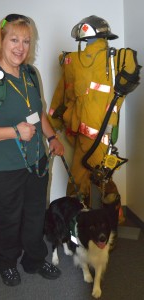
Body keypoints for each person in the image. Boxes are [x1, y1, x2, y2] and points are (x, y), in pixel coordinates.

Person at [0, 14, 64, 287]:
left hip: (36, 162)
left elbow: (37, 112)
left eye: (26, 41)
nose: (20, 47)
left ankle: (33, 258)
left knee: (34, 215)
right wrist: (13, 132)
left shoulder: (31, 73)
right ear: (1, 40)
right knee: (8, 220)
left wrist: (51, 137)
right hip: (2, 169)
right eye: (14, 39)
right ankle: (6, 262)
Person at [48, 15, 140, 248]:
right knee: (95, 182)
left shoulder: (112, 58)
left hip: (92, 137)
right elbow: (66, 95)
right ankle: (97, 225)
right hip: (89, 138)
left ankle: (97, 228)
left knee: (89, 183)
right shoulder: (82, 61)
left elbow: (61, 98)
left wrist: (53, 124)